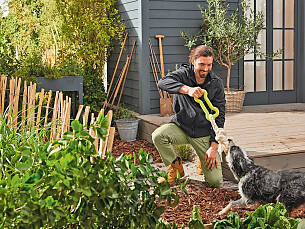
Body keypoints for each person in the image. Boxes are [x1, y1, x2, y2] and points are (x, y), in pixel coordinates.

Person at [152, 45, 225, 187]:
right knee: (158, 136)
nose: (205, 68)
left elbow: (220, 116)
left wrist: (214, 146)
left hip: (203, 133)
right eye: (201, 64)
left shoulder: (216, 83)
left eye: (209, 65)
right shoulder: (183, 74)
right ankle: (175, 166)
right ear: (193, 61)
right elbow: (162, 82)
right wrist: (187, 90)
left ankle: (201, 157)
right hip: (182, 127)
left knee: (215, 182)